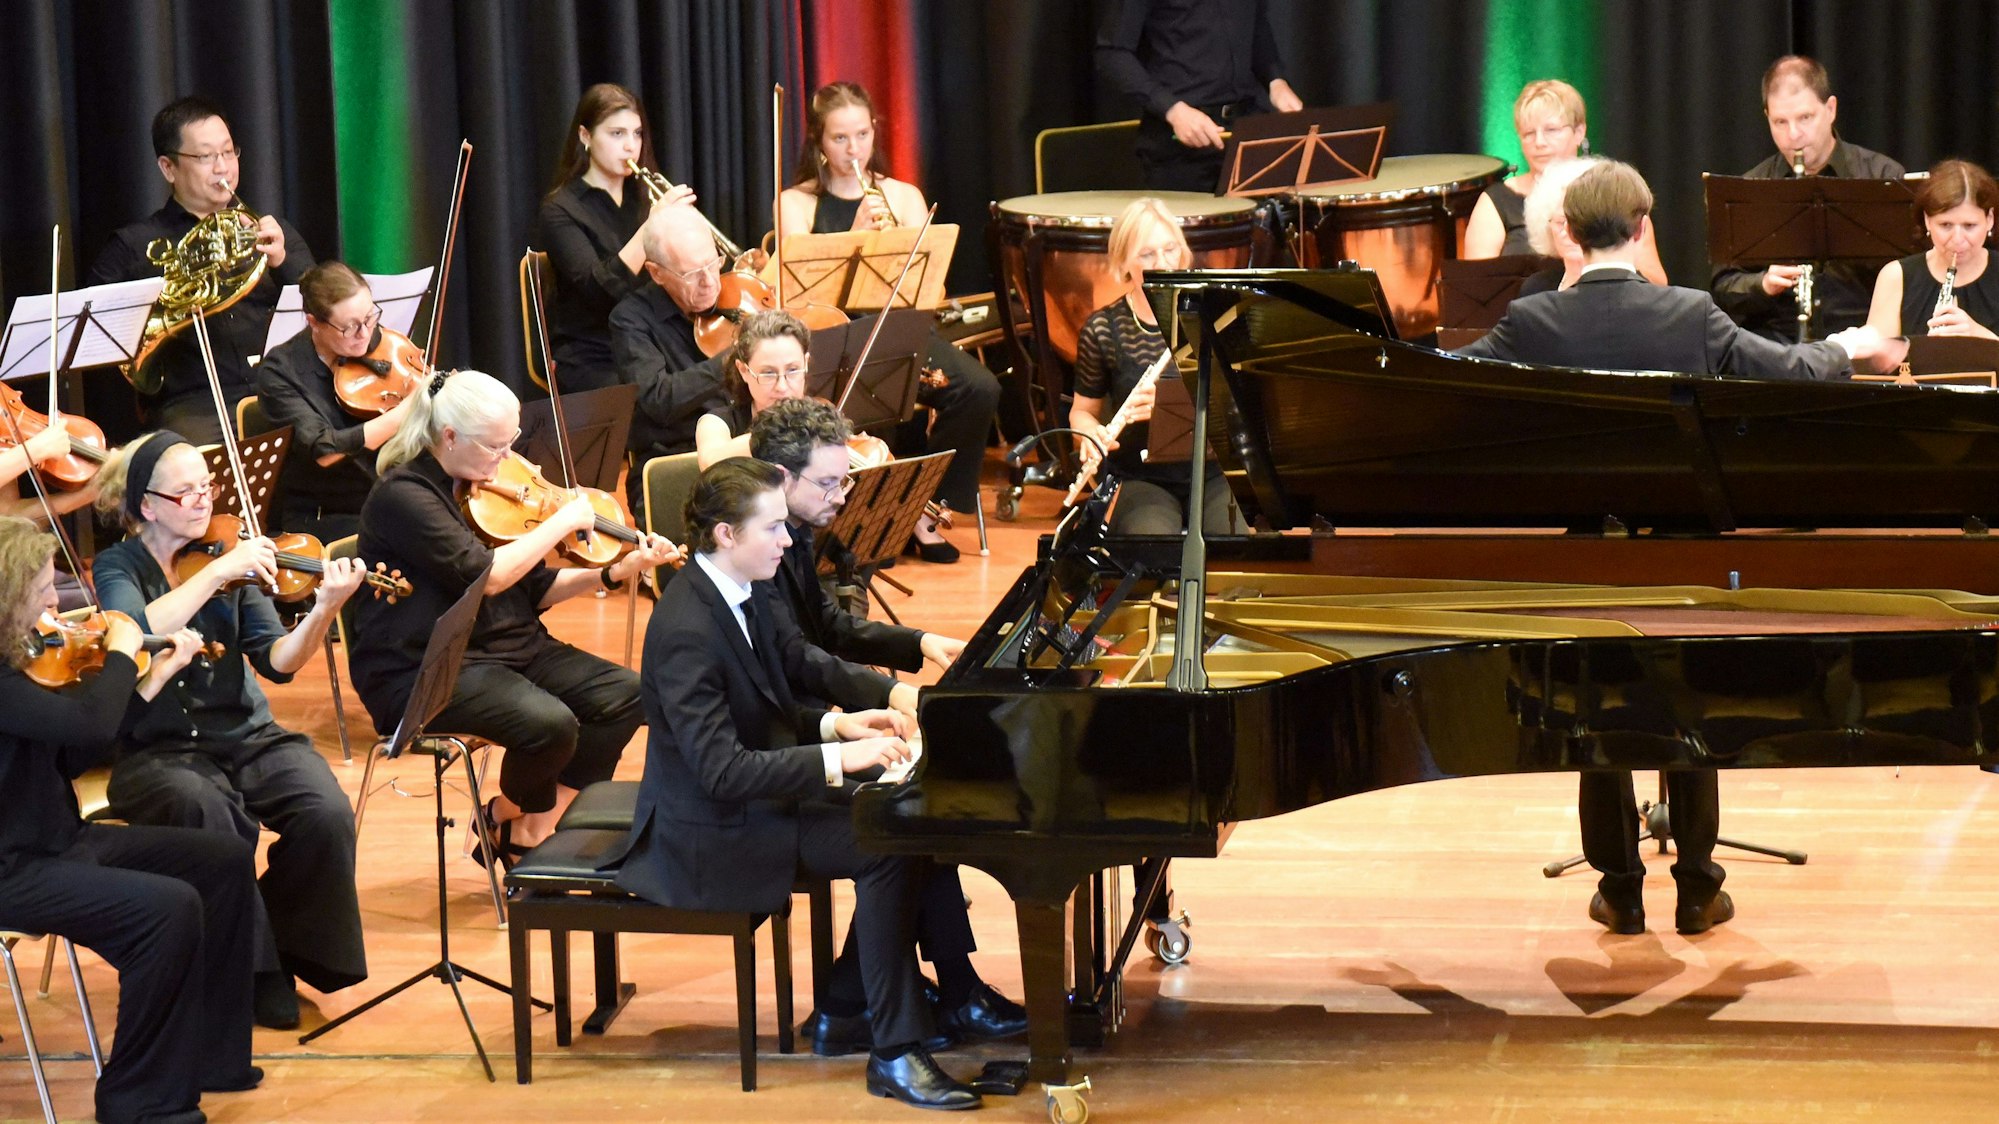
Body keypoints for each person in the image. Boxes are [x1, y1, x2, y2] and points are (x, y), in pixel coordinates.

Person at [1457, 161, 1885, 935]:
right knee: (1687, 713)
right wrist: (1848, 347)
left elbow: (1439, 381)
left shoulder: (1533, 321)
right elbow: (1784, 371)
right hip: (1682, 555)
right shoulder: (1690, 314)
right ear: (1642, 227)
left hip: (1586, 556)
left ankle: (1618, 888)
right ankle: (1695, 887)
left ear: (1570, 235)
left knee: (1595, 713)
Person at [613, 456, 981, 1109]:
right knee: (884, 845)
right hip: (710, 831)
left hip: (754, 798)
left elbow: (771, 702)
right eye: (774, 528)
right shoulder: (687, 629)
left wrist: (837, 727)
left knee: (908, 817)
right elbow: (722, 771)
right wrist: (842, 758)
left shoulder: (737, 590)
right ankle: (892, 1052)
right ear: (726, 534)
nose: (788, 541)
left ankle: (868, 1002)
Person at [746, 398, 1025, 1054]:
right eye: (832, 482)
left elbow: (826, 626)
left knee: (920, 804)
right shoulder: (755, 549)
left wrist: (922, 642)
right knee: (908, 813)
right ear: (782, 480)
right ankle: (904, 1000)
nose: (845, 495)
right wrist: (890, 697)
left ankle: (881, 999)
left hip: (808, 725)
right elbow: (799, 658)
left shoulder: (793, 530)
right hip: (780, 746)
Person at [89, 430, 369, 1030]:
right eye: (185, 492)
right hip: (156, 747)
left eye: (206, 488)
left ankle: (285, 945)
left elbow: (279, 662)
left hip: (246, 734)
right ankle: (254, 972)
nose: (203, 501)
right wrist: (218, 576)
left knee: (325, 812)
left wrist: (323, 610)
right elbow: (131, 632)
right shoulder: (121, 564)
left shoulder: (230, 551)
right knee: (212, 819)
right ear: (146, 505)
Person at [349, 369, 679, 861]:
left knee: (628, 696)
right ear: (450, 436)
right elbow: (490, 576)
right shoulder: (405, 497)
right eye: (494, 448)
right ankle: (526, 829)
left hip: (509, 648)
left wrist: (614, 571)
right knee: (550, 723)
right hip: (427, 668)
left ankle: (520, 822)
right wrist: (565, 519)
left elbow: (535, 589)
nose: (507, 461)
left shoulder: (481, 491)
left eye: (511, 444)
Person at [0, 515, 261, 1124]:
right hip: (12, 866)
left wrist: (152, 681)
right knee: (164, 910)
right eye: (40, 586)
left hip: (55, 840)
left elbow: (73, 752)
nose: (53, 597)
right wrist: (122, 655)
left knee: (220, 861)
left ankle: (208, 1057)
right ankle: (138, 1101)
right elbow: (88, 723)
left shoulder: (22, 662)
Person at [776, 82, 1004, 563]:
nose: (853, 149)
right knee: (876, 402)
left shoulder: (903, 195)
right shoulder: (795, 203)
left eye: (862, 135)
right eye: (840, 138)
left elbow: (930, 292)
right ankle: (872, 524)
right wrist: (856, 234)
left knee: (977, 387)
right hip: (832, 338)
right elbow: (797, 297)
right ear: (818, 141)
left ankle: (925, 508)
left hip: (900, 332)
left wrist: (897, 241)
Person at [85, 97, 315, 444]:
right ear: (168, 168)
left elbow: (325, 303)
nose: (223, 167)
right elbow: (93, 333)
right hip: (195, 403)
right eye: (206, 157)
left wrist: (283, 261)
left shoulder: (269, 230)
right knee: (190, 470)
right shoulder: (134, 246)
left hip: (280, 388)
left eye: (228, 152)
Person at [1711, 56, 1906, 342]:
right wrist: (1762, 284)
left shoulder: (1882, 176)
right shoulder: (1750, 188)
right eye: (1780, 122)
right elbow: (1723, 287)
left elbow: (1912, 276)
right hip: (1777, 348)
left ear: (1831, 109)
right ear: (1767, 117)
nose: (1793, 135)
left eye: (1805, 118)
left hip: (1865, 342)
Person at [1070, 197, 1234, 534]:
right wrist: (1088, 434)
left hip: (1214, 469)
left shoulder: (1215, 315)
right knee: (1152, 543)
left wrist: (1170, 407)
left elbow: (1239, 403)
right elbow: (1081, 411)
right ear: (1124, 262)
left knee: (1234, 545)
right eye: (1147, 255)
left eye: (1171, 249)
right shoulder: (1104, 328)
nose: (1163, 263)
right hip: (1139, 476)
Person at [535, 83, 696, 392]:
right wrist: (650, 229)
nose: (630, 146)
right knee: (662, 405)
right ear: (585, 136)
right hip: (594, 353)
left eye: (637, 134)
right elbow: (598, 293)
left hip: (652, 342)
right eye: (617, 134)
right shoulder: (560, 210)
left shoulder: (645, 199)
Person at [252, 262, 417, 541]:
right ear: (314, 322)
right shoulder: (280, 372)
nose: (365, 334)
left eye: (369, 317)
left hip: (389, 490)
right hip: (325, 511)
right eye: (349, 327)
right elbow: (325, 450)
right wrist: (403, 414)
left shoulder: (377, 340)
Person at [1464, 80, 1668, 285]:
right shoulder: (1496, 200)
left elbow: (1656, 284)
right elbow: (1477, 286)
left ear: (1579, 132)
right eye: (1529, 134)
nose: (1539, 143)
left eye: (1551, 130)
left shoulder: (1615, 194)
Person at [1095, 0, 1303, 192]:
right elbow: (1113, 52)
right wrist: (1173, 110)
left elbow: (1256, 27)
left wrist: (1276, 81)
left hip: (1244, 134)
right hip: (1179, 147)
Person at [609, 205, 735, 511]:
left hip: (742, 447)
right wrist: (732, 358)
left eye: (713, 264)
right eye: (692, 273)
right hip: (677, 458)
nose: (709, 281)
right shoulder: (630, 320)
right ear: (657, 273)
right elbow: (659, 400)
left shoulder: (737, 296)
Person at [1860, 159, 1999, 372]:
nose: (1958, 239)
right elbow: (1873, 371)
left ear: (1989, 219)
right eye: (1945, 225)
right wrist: (1924, 351)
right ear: (1927, 220)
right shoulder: (1896, 276)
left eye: (1969, 226)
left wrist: (1978, 336)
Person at [693, 310, 812, 469]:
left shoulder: (818, 417)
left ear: (806, 363)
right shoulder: (717, 422)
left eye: (792, 370)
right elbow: (710, 463)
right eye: (768, 373)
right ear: (743, 371)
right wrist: (777, 433)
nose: (782, 387)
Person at [1515, 156, 1601, 295]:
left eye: (1578, 221)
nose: (1568, 232)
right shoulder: (1535, 288)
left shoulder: (1625, 290)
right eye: (1561, 222)